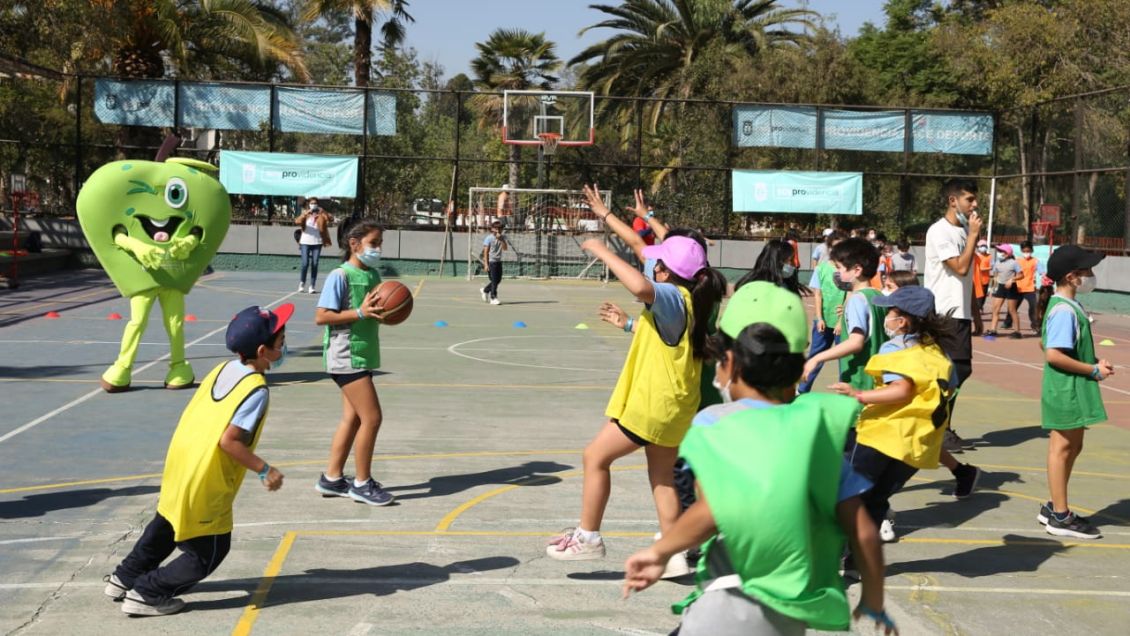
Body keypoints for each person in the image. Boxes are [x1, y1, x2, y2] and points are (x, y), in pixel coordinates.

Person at [622, 282, 895, 636]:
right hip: (787, 619)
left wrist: (661, 552)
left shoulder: (716, 424)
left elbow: (713, 511)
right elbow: (864, 533)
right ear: (798, 372)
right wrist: (873, 600)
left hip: (727, 606)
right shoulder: (817, 432)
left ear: (730, 362)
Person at [547, 185, 726, 565]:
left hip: (652, 404)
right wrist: (629, 324)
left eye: (658, 261)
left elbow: (641, 283)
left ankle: (588, 537)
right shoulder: (692, 296)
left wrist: (601, 250)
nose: (651, 262)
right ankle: (677, 549)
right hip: (675, 405)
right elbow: (647, 258)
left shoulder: (673, 297)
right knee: (662, 479)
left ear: (668, 270)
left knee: (595, 456)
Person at [103, 303, 292, 616]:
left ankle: (124, 577)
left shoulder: (222, 369)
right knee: (210, 549)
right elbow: (229, 441)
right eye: (281, 340)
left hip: (181, 463)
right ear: (263, 350)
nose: (285, 344)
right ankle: (148, 592)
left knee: (167, 524)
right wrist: (265, 469)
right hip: (206, 474)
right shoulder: (256, 389)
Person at [830, 286, 958, 547]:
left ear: (904, 320)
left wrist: (859, 395)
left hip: (883, 436)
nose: (886, 317)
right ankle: (858, 559)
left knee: (851, 494)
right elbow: (951, 387)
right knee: (876, 499)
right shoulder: (938, 352)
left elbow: (901, 389)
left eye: (891, 312)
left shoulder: (895, 348)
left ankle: (841, 552)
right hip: (916, 444)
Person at [314, 219, 397, 506]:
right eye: (374, 243)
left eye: (379, 243)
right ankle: (362, 483)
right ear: (354, 243)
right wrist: (360, 313)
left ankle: (332, 478)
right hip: (346, 355)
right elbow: (322, 316)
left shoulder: (373, 275)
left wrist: (386, 313)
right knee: (372, 418)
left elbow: (372, 311)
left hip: (363, 353)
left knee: (352, 418)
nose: (378, 249)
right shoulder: (340, 276)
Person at [1037, 245, 1110, 539]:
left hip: (1071, 387)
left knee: (1073, 447)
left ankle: (1055, 506)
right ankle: (1060, 516)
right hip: (1064, 389)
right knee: (1061, 449)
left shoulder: (1069, 306)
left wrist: (1093, 361)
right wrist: (1091, 370)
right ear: (1071, 276)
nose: (1091, 276)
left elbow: (1052, 345)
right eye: (1087, 271)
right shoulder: (1064, 310)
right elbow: (1053, 354)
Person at [924, 178, 981, 455]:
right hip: (944, 312)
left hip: (961, 312)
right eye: (969, 199)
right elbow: (959, 267)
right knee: (953, 372)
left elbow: (967, 278)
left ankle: (939, 426)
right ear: (953, 201)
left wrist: (976, 312)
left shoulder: (962, 232)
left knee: (958, 371)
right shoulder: (940, 231)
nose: (974, 205)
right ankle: (939, 428)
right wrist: (972, 237)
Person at [801, 237, 888, 391]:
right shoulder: (879, 296)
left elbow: (855, 342)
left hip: (859, 382)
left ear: (857, 270)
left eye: (840, 268)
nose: (837, 272)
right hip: (878, 381)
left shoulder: (857, 300)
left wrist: (817, 357)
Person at [799, 230, 847, 393]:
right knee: (815, 356)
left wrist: (841, 321)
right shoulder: (821, 269)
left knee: (845, 360)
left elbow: (851, 294)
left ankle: (845, 394)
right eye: (834, 247)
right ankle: (802, 390)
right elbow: (817, 294)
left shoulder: (850, 270)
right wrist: (819, 318)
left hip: (843, 324)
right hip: (823, 321)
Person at [734, 238, 811, 295]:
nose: (791, 264)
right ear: (777, 261)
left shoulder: (787, 284)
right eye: (789, 260)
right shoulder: (752, 287)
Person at [296, 197, 332, 293]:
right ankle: (302, 282)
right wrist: (306, 213)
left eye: (315, 203)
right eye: (312, 203)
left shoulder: (321, 215)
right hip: (305, 242)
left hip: (317, 242)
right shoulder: (305, 213)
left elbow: (330, 219)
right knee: (305, 263)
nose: (313, 205)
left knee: (315, 263)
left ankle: (312, 285)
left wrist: (323, 212)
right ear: (309, 204)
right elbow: (297, 221)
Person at [986, 243, 1022, 339]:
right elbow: (995, 275)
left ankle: (1017, 331)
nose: (999, 253)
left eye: (1002, 251)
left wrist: (1012, 280)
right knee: (995, 309)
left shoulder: (1014, 263)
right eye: (999, 251)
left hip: (1011, 287)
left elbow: (1021, 275)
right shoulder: (997, 262)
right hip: (1001, 287)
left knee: (1012, 310)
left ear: (1007, 253)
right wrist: (992, 288)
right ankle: (993, 330)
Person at [1016, 241, 1043, 334]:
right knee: (1013, 308)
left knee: (1034, 307)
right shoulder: (1017, 261)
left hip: (1030, 288)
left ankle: (1035, 326)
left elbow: (1041, 271)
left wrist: (1044, 275)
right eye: (1024, 251)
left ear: (1031, 250)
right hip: (1018, 288)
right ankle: (1008, 322)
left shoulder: (1035, 261)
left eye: (1028, 251)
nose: (1026, 253)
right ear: (1021, 251)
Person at [480, 220, 508, 306]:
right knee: (494, 280)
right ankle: (493, 297)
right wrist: (486, 264)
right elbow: (485, 252)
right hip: (491, 262)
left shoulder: (503, 237)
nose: (499, 230)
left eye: (500, 229)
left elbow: (505, 248)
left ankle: (485, 290)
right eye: (497, 228)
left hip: (498, 261)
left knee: (497, 280)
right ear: (493, 229)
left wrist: (501, 239)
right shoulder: (489, 238)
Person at [971, 240, 992, 336]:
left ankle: (978, 327)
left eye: (984, 246)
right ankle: (977, 325)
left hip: (981, 282)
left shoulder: (984, 257)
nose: (982, 248)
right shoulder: (975, 256)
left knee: (978, 304)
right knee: (975, 304)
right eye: (980, 246)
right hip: (974, 282)